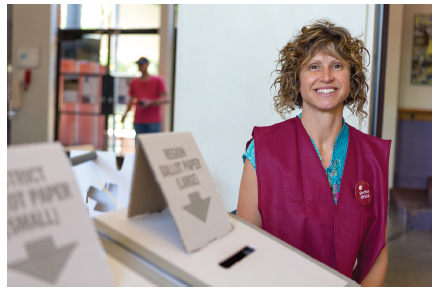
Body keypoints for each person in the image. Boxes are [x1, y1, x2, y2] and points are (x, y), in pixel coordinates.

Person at [236, 20, 390, 286]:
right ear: (296, 81)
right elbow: (246, 246)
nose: (326, 76)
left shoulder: (373, 157)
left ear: (350, 81)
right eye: (314, 66)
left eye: (337, 65)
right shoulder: (262, 151)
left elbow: (376, 252)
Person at [121, 57, 169, 135]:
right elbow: (131, 100)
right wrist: (125, 115)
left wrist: (150, 102)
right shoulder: (134, 82)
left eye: (141, 65)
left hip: (153, 120)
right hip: (139, 120)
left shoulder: (158, 80)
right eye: (139, 65)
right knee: (139, 144)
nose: (140, 67)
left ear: (147, 65)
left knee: (152, 144)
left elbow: (167, 99)